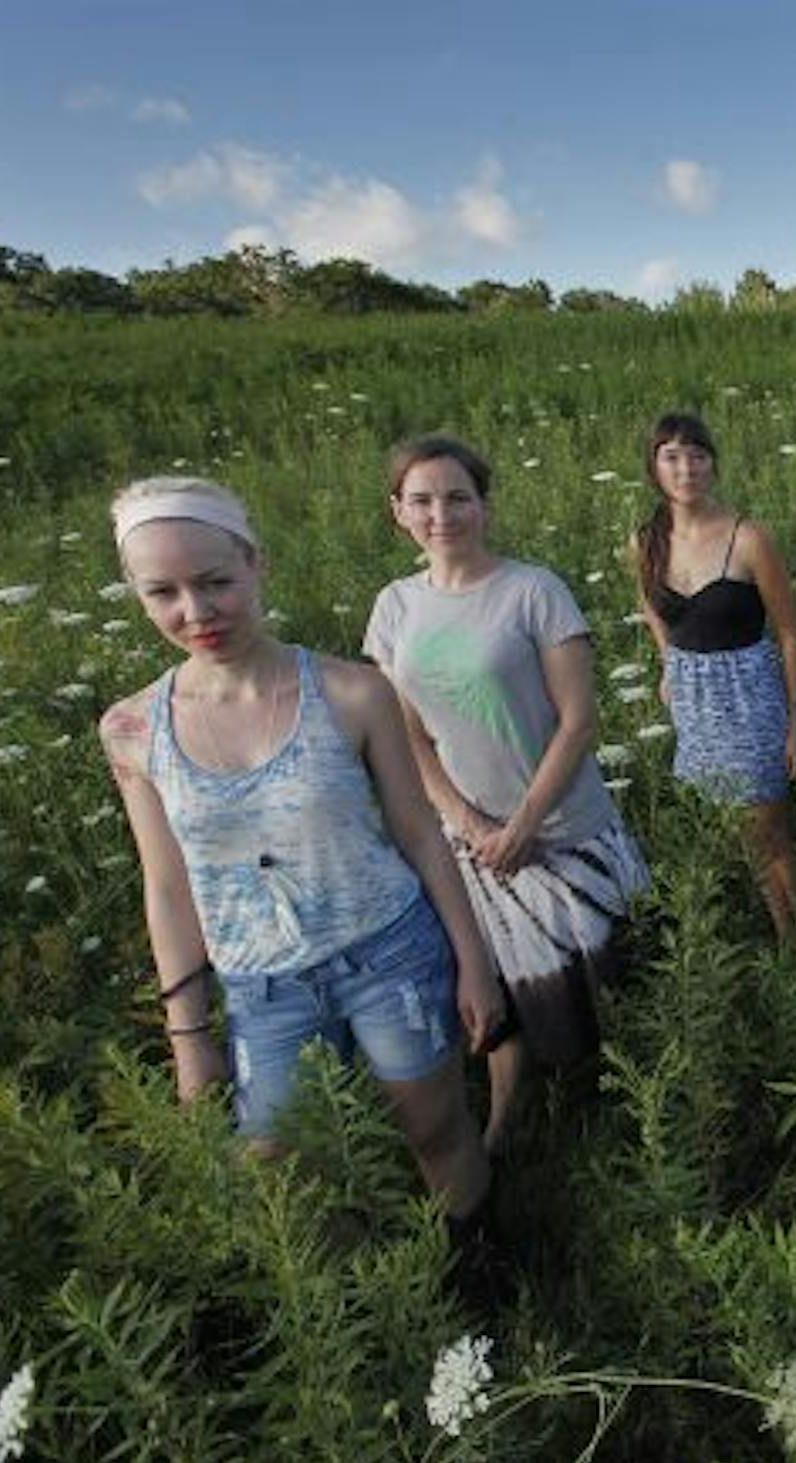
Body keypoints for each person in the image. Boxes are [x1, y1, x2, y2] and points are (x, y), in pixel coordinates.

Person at [98, 476, 498, 1235]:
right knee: (279, 1169)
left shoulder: (353, 693)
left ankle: (481, 1272)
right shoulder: (133, 730)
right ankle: (358, 1291)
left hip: (392, 957)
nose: (196, 612)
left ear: (256, 563)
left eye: (216, 581)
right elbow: (167, 885)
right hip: (261, 986)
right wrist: (189, 1037)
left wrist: (473, 963)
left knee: (435, 1130)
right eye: (164, 593)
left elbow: (419, 833)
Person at [365, 435, 649, 1154]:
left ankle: (632, 1116)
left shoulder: (534, 591)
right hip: (473, 842)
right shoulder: (395, 608)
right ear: (398, 511)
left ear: (484, 506)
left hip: (564, 830)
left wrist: (523, 823)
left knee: (604, 979)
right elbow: (408, 737)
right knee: (502, 984)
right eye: (421, 501)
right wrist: (467, 821)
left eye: (457, 498)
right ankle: (506, 1125)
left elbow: (579, 722)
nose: (441, 515)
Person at [630, 411, 796, 942]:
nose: (685, 468)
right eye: (671, 456)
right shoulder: (646, 541)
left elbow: (790, 634)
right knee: (740, 833)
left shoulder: (748, 538)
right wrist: (668, 665)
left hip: (750, 699)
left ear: (713, 465)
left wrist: (795, 722)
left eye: (697, 455)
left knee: (770, 832)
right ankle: (784, 932)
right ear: (654, 467)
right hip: (694, 704)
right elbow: (652, 609)